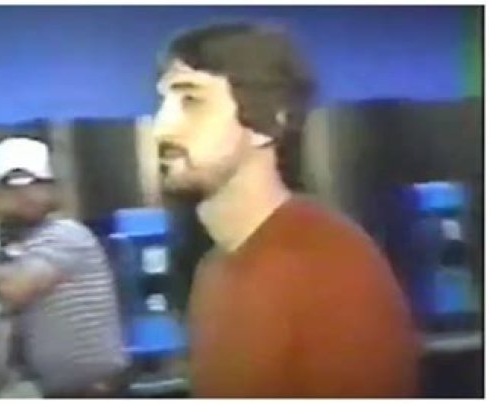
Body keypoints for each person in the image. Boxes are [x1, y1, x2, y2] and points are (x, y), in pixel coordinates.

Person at [152, 23, 419, 398]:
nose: (161, 128)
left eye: (192, 101)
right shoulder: (212, 270)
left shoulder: (332, 268)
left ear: (269, 123)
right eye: (163, 102)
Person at [0, 137, 129, 397]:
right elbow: (5, 330)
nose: (25, 195)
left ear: (52, 189)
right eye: (11, 186)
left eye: (36, 184)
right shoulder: (18, 253)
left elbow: (16, 288)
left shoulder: (66, 233)